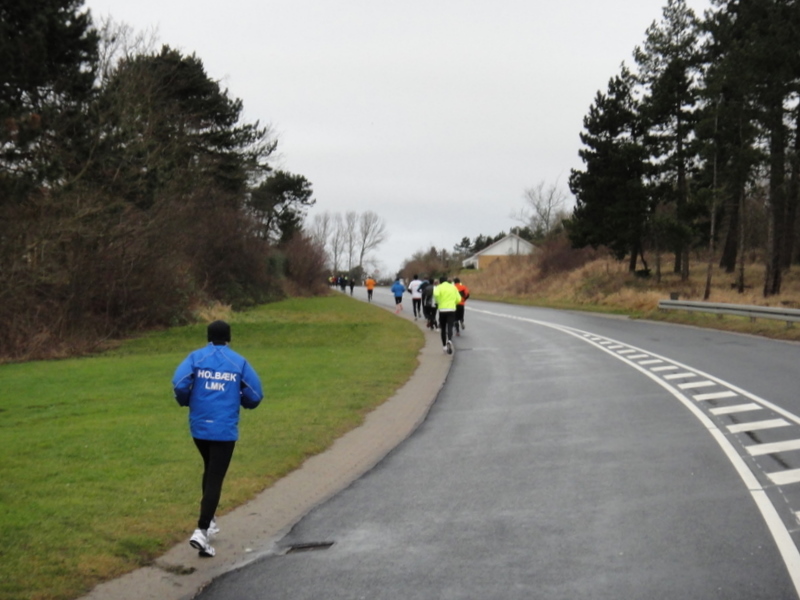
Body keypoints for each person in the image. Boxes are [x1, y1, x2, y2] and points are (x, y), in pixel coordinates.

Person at [172, 320, 264, 558]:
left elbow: (180, 384)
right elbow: (255, 394)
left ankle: (210, 520)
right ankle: (201, 531)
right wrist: (239, 399)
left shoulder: (196, 358)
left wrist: (187, 400)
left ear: (208, 337)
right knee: (215, 477)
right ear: (229, 338)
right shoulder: (238, 362)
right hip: (224, 429)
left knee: (209, 468)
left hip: (199, 428)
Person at [433, 277, 461, 354]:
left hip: (442, 310)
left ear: (440, 282)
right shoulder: (453, 287)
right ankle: (449, 340)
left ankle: (444, 346)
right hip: (451, 309)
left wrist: (438, 301)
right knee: (450, 326)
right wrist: (453, 303)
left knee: (443, 328)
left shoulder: (439, 287)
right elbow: (459, 299)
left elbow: (436, 294)